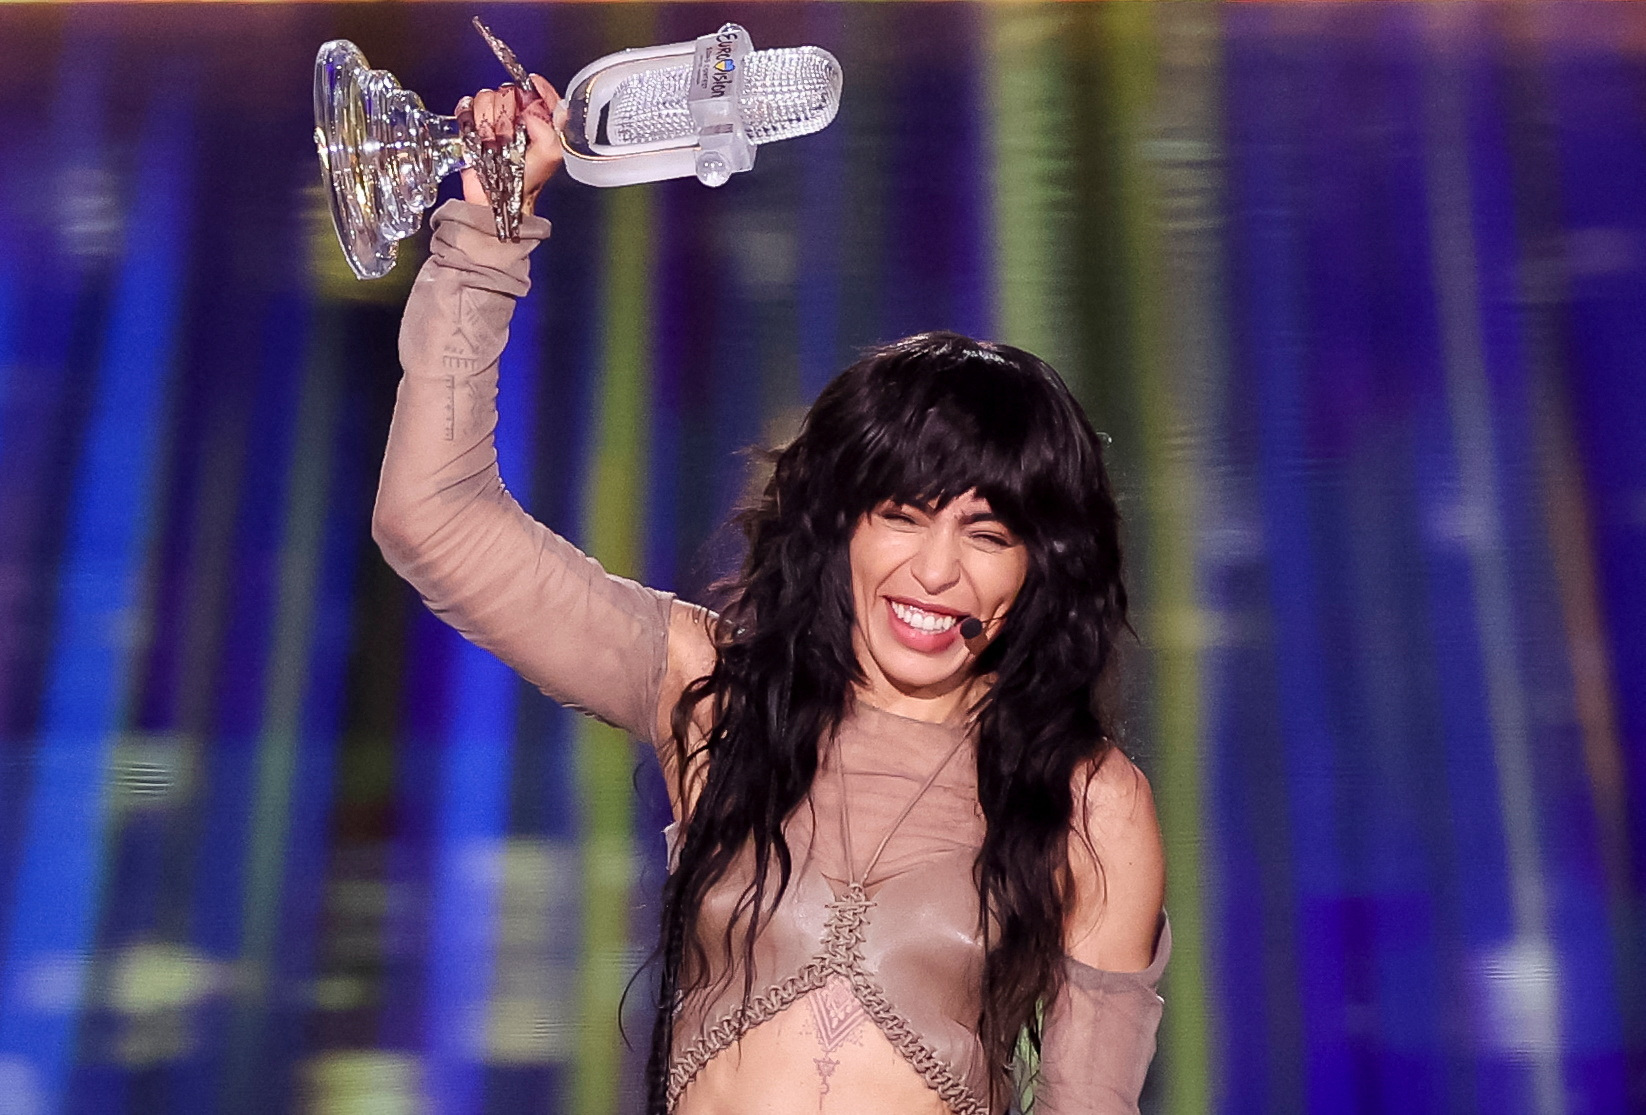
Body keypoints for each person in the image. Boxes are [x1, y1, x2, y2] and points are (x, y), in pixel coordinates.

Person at [373, 75, 1168, 1115]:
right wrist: (486, 229)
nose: (936, 570)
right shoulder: (709, 685)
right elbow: (431, 515)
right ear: (838, 522)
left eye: (987, 534)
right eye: (901, 514)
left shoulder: (1089, 801)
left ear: (1038, 565)